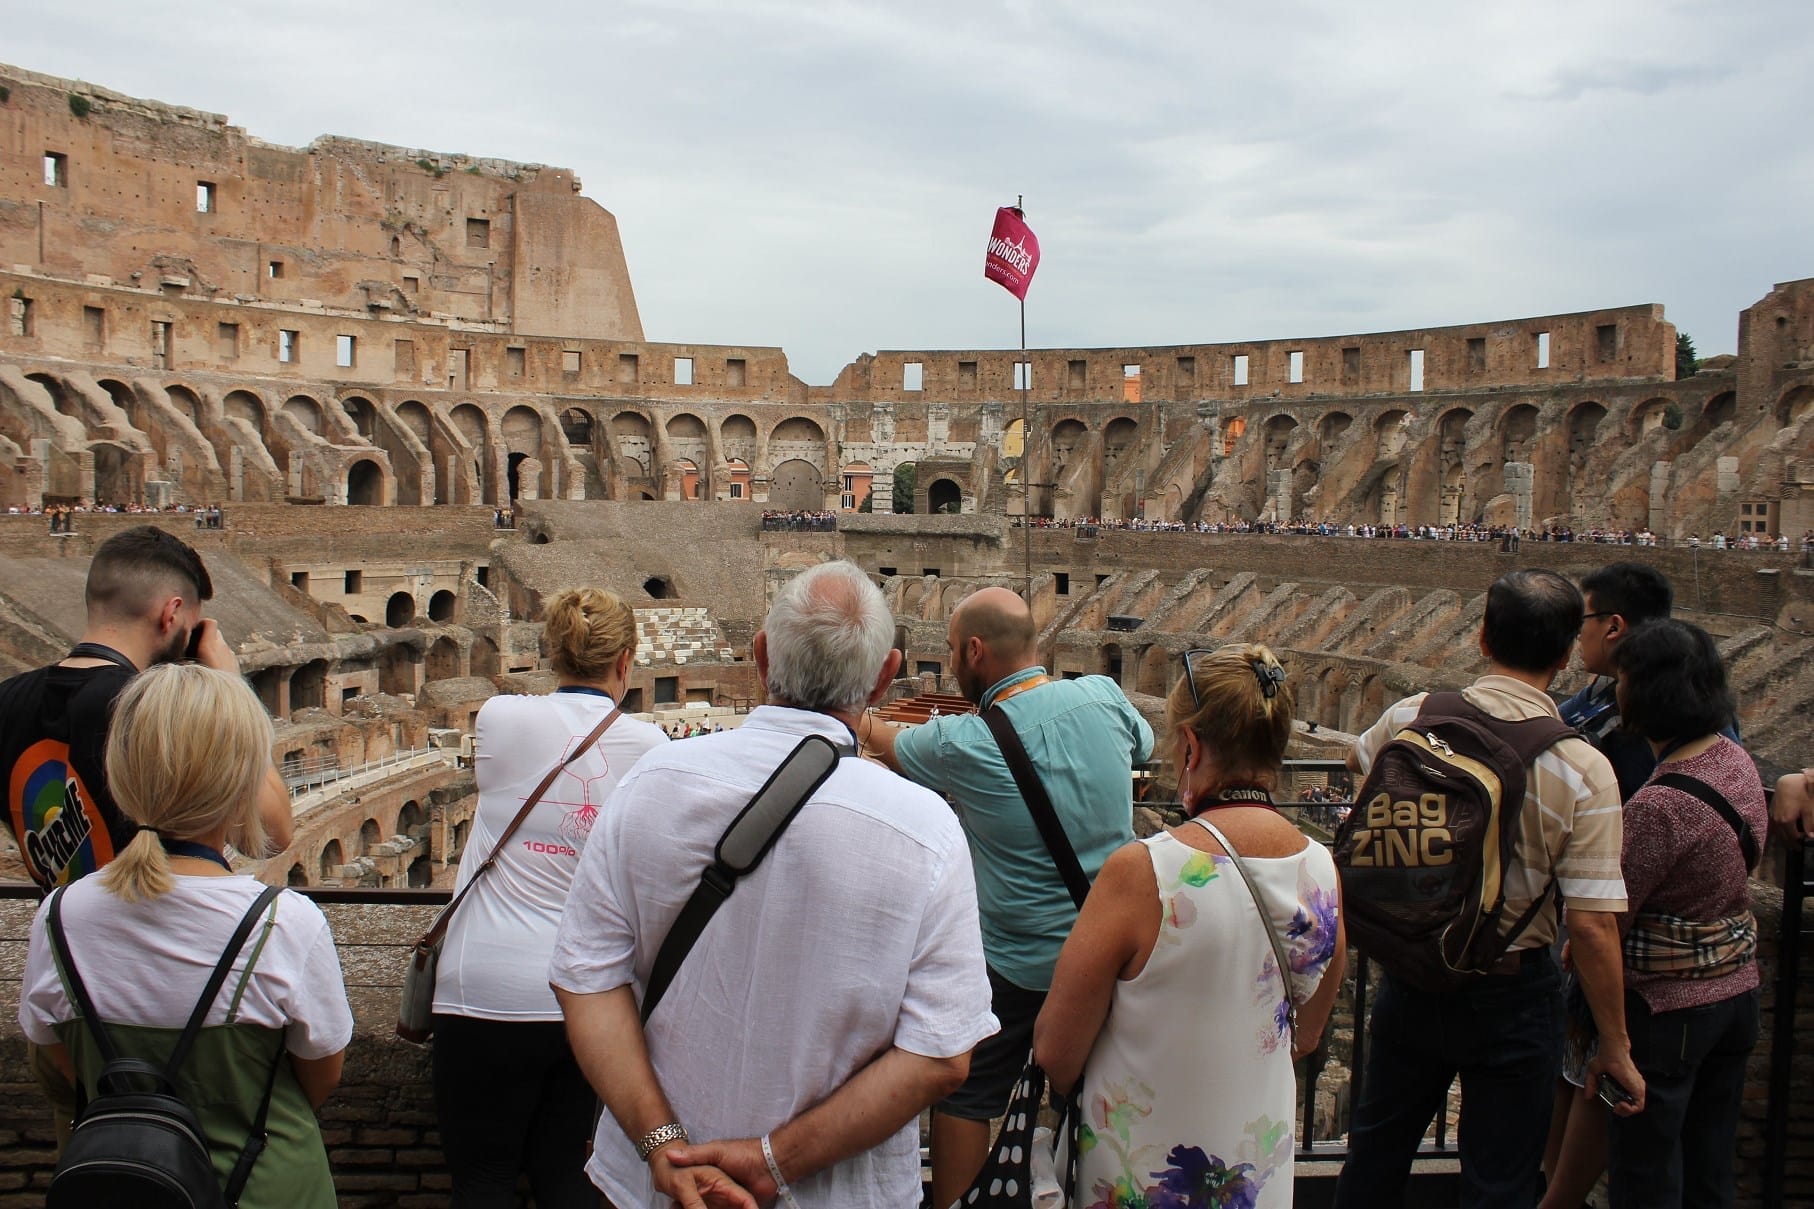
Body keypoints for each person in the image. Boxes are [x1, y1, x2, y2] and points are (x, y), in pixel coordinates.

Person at [549, 560, 996, 1209]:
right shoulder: (926, 829)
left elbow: (585, 979)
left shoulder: (649, 785)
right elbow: (942, 1055)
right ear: (885, 674)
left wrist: (664, 1145)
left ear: (761, 655)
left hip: (654, 1191)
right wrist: (772, 1162)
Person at [1333, 569, 1644, 1209]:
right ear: (1564, 656)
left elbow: (1357, 764)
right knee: (1499, 1179)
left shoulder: (1415, 714)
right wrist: (1613, 1043)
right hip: (1514, 991)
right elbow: (1590, 924)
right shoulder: (1586, 768)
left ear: (1481, 637)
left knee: (1374, 1157)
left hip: (1414, 964)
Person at [0, 524, 293, 1148]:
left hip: (70, 993)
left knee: (96, 1165)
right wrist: (229, 683)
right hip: (177, 1000)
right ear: (173, 614)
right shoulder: (153, 706)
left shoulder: (7, 703)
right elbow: (274, 830)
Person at [861, 585, 1154, 1208]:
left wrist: (861, 712)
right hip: (1113, 951)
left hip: (1019, 965)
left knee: (968, 1094)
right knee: (1102, 1088)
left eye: (950, 651)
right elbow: (1145, 747)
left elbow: (886, 742)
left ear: (973, 652)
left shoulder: (960, 743)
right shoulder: (1103, 695)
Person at [18, 664, 351, 1207]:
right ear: (245, 782)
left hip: (122, 1184)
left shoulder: (60, 915)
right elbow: (321, 1076)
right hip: (264, 1184)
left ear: (120, 772)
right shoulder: (283, 921)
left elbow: (62, 1063)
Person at [1033, 644, 1345, 1207]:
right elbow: (1307, 1033)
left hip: (1144, 1178)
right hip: (1254, 1177)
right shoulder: (1323, 872)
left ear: (1193, 747)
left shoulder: (1144, 872)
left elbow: (1057, 1051)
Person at [431, 588, 667, 1207]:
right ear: (626, 660)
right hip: (585, 997)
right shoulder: (650, 750)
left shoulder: (500, 717)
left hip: (478, 987)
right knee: (566, 1174)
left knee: (481, 1180)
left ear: (552, 652)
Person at [1600, 620, 1764, 1208]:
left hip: (1670, 1010)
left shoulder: (1660, 804)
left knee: (1645, 1170)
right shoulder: (1735, 763)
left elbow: (1609, 917)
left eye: (1621, 680)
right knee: (1709, 1167)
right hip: (1735, 993)